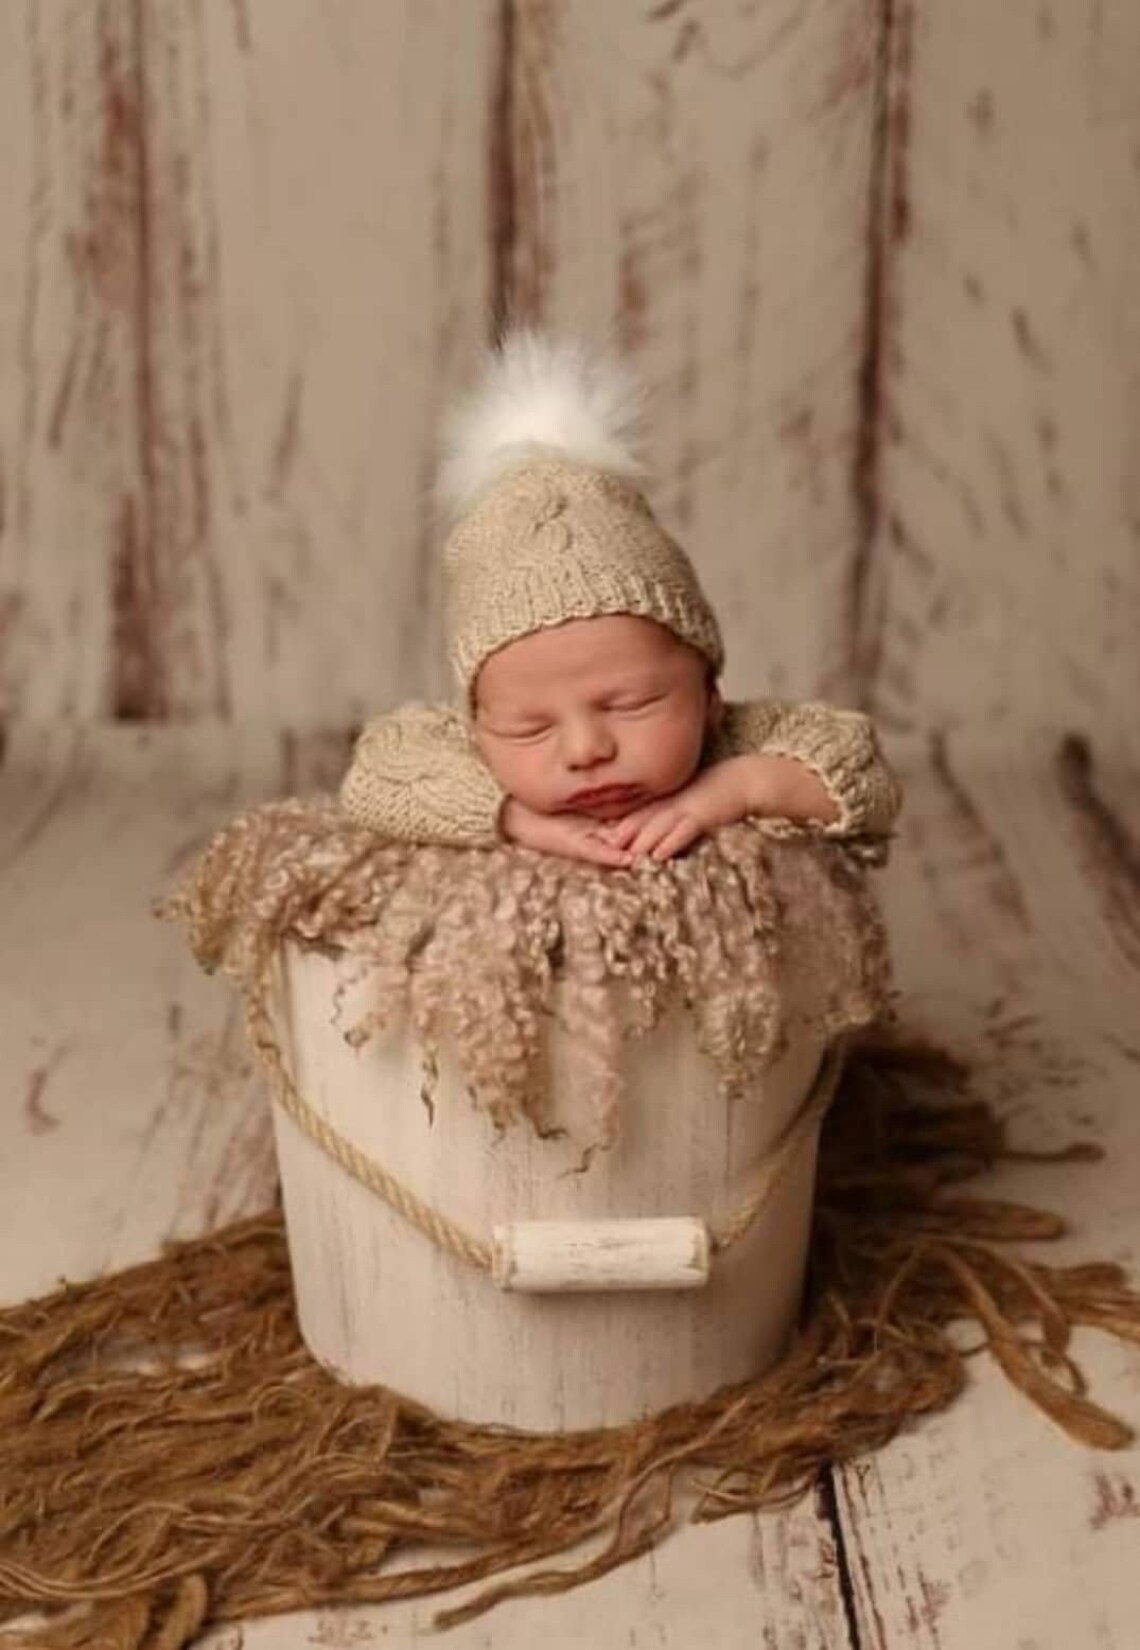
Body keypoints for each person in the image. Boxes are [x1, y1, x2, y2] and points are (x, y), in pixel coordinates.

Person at [340, 330, 901, 866]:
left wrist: (735, 789)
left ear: (708, 697)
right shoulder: (465, 760)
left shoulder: (737, 741)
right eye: (529, 727)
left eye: (629, 705)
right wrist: (512, 817)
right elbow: (375, 777)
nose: (587, 749)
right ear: (478, 725)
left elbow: (864, 773)